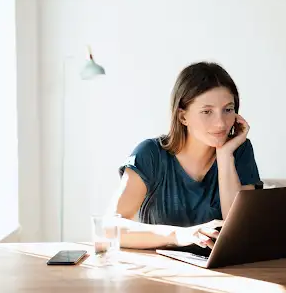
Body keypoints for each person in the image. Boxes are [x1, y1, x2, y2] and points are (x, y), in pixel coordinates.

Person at [108, 61, 261, 250]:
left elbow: (240, 231)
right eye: (207, 111)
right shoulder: (150, 153)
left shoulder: (239, 151)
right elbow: (110, 228)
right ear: (183, 117)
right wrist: (179, 234)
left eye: (228, 110)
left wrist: (224, 156)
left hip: (221, 272)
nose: (221, 123)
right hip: (160, 273)